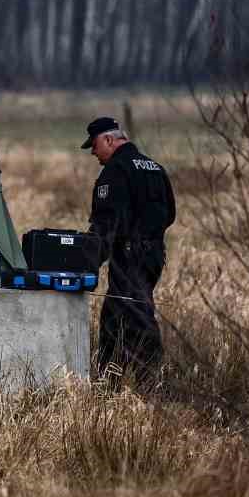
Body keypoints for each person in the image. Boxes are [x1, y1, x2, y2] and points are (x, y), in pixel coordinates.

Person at [83, 116, 176, 382]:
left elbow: (105, 224)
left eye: (94, 145)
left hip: (129, 256)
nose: (93, 152)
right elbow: (170, 213)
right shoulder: (155, 168)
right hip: (154, 256)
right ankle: (107, 380)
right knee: (114, 316)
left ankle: (154, 383)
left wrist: (87, 263)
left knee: (138, 316)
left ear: (109, 140)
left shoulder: (115, 171)